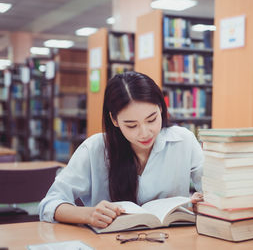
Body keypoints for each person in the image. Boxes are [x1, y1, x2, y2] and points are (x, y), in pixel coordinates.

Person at [39, 71, 204, 229]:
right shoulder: (95, 149)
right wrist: (88, 214)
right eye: (131, 125)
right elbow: (50, 204)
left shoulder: (184, 140)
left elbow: (216, 192)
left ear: (161, 108)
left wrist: (204, 204)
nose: (144, 132)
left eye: (152, 119)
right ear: (114, 120)